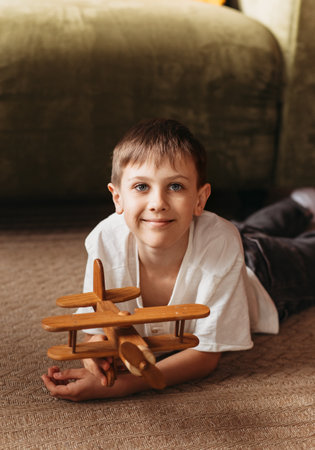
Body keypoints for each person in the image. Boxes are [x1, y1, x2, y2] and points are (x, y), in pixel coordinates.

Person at [41, 119, 315, 401]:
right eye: (141, 187)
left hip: (261, 271)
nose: (157, 202)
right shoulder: (104, 238)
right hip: (207, 235)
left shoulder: (221, 240)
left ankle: (299, 209)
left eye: (175, 186)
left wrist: (125, 384)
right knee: (244, 228)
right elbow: (97, 325)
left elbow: (205, 356)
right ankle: (298, 206)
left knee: (291, 249)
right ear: (117, 198)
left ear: (200, 198)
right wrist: (96, 355)